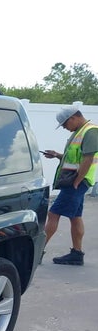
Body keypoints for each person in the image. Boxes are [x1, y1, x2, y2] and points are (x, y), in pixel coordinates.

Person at [42, 105, 98, 265]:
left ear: (73, 118)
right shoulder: (79, 132)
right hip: (76, 181)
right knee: (75, 217)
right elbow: (76, 158)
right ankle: (77, 254)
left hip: (77, 182)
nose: (65, 128)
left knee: (53, 214)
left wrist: (77, 182)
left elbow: (88, 158)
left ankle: (37, 252)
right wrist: (57, 155)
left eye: (65, 124)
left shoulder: (90, 131)